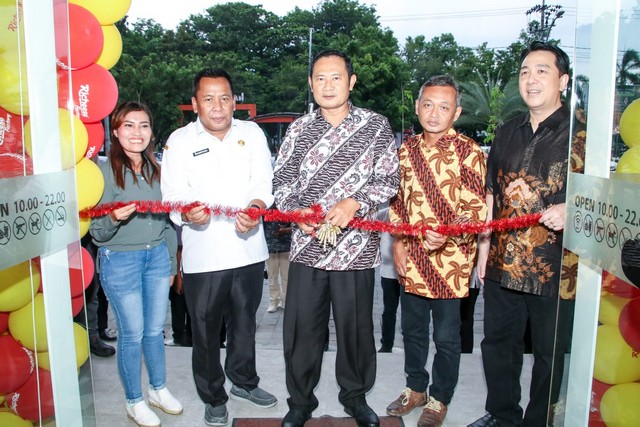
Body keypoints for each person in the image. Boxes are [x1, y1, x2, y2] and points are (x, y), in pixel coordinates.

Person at [273, 49, 400, 427]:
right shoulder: (298, 129)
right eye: (320, 79)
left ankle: (356, 397)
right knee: (302, 331)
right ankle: (300, 401)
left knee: (356, 329)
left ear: (352, 81)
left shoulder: (376, 126)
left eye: (336, 78)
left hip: (357, 250)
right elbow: (282, 182)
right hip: (307, 246)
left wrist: (355, 202)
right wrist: (297, 212)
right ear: (311, 84)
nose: (328, 86)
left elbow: (389, 181)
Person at [161, 68, 277, 426]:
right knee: (206, 330)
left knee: (245, 323)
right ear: (195, 103)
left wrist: (257, 208)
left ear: (234, 101)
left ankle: (243, 381)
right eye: (208, 98)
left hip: (248, 250)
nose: (217, 106)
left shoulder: (252, 133)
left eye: (224, 98)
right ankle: (213, 394)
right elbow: (173, 195)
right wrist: (189, 212)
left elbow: (263, 180)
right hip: (204, 255)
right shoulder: (179, 141)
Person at [468, 41, 574, 427]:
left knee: (549, 352)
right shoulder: (507, 131)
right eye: (526, 72)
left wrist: (572, 207)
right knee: (497, 345)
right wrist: (483, 253)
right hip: (501, 263)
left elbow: (603, 197)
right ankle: (502, 415)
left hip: (556, 267)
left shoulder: (582, 133)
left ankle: (538, 421)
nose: (531, 80)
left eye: (542, 71)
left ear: (562, 80)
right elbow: (491, 195)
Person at [385, 75, 487, 427]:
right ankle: (416, 388)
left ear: (455, 112)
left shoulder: (470, 152)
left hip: (452, 262)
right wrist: (397, 243)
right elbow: (396, 205)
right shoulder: (405, 150)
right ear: (417, 107)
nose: (434, 112)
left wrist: (446, 235)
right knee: (411, 329)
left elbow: (475, 210)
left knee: (446, 337)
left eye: (444, 106)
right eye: (427, 104)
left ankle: (440, 398)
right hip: (411, 259)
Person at [90, 101, 182, 427]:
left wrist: (171, 263)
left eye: (143, 125)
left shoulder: (158, 170)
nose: (136, 132)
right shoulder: (102, 172)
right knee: (133, 333)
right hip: (120, 261)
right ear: (115, 131)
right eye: (128, 125)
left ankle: (158, 389)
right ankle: (134, 400)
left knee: (155, 331)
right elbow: (97, 233)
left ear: (151, 132)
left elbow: (169, 221)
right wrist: (113, 216)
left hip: (156, 257)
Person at [377, 202, 400, 353]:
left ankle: (411, 342)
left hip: (409, 271)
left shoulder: (411, 212)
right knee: (389, 310)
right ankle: (386, 344)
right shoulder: (385, 213)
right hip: (389, 272)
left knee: (411, 312)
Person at [264, 208, 291, 313]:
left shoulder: (287, 207)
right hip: (270, 248)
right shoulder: (265, 209)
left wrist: (285, 231)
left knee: (286, 277)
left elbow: (295, 225)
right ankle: (273, 301)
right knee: (272, 277)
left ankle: (285, 301)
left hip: (286, 247)